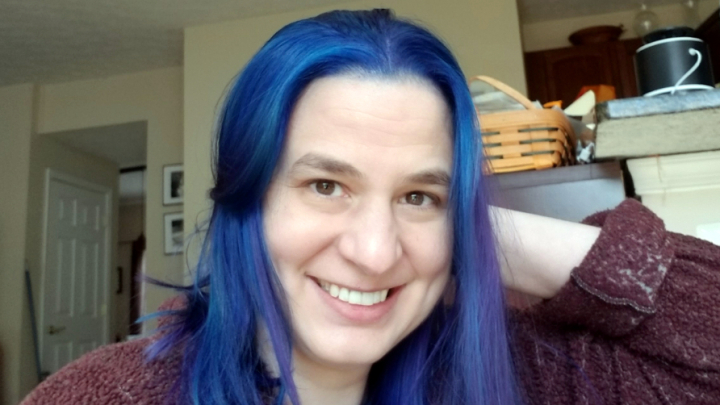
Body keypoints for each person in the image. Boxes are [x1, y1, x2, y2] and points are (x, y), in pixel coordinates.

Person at [22, 9, 720, 405]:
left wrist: (469, 229)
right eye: (326, 185)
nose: (376, 251)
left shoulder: (518, 373)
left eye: (419, 195)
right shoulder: (110, 394)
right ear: (244, 197)